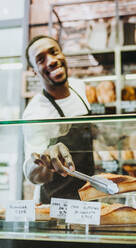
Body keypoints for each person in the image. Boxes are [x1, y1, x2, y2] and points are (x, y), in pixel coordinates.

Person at [23, 35, 95, 203]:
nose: (51, 61)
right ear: (34, 71)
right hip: (56, 200)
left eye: (54, 52)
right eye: (41, 60)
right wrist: (44, 158)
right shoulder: (35, 112)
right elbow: (31, 173)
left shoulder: (79, 87)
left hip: (88, 192)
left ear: (62, 54)